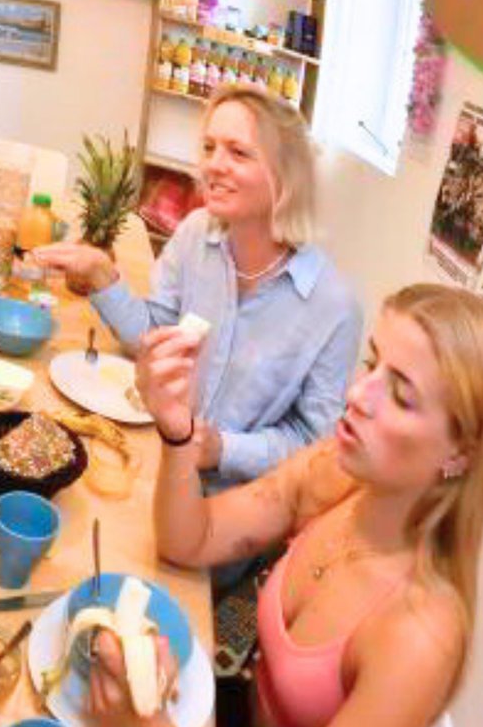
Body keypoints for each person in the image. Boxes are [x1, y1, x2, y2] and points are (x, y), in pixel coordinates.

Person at [85, 283, 483, 727]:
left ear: (460, 452)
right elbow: (190, 539)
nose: (357, 396)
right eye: (372, 365)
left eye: (399, 394)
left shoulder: (416, 636)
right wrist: (176, 433)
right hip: (222, 722)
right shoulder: (343, 473)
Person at [35, 86, 362, 488]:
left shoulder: (334, 306)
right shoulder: (196, 233)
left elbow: (316, 444)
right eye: (209, 148)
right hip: (160, 462)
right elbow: (154, 337)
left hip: (236, 511)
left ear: (285, 173)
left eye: (238, 153)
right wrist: (103, 275)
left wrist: (222, 449)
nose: (214, 165)